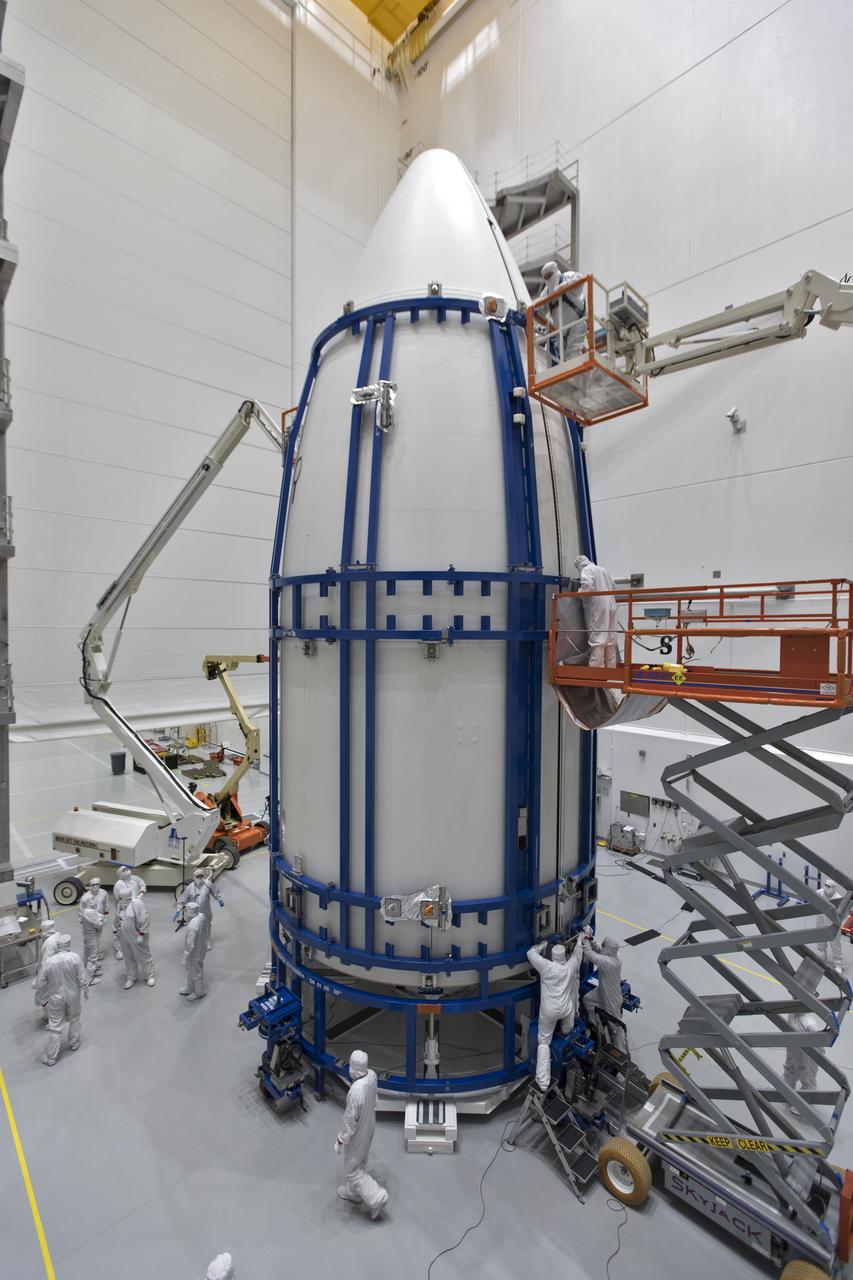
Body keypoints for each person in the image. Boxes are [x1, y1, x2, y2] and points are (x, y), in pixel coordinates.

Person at [335, 1049, 388, 1220]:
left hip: (358, 1131)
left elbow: (349, 1120)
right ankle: (354, 1192)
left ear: (354, 1068)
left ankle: (377, 1197)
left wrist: (341, 1139)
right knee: (361, 1160)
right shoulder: (371, 1075)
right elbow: (375, 1099)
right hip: (370, 1123)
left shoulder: (355, 1091)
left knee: (352, 1170)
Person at [527, 936, 584, 1092]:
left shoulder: (546, 966)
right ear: (564, 956)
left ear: (552, 956)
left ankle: (543, 1081)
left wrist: (541, 945)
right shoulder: (569, 967)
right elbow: (577, 956)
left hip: (549, 1011)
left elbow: (530, 954)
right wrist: (580, 941)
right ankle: (566, 1031)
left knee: (544, 1042)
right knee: (568, 1027)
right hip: (566, 1009)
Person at [35, 935, 89, 1066]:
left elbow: (41, 982)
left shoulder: (49, 962)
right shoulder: (75, 957)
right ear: (68, 945)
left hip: (56, 997)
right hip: (73, 995)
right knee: (75, 1019)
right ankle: (74, 1043)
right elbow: (82, 977)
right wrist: (86, 990)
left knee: (55, 1026)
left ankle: (51, 1057)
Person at [582, 935, 627, 1053]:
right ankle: (595, 1026)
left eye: (604, 944)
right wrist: (592, 940)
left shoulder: (609, 962)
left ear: (609, 949)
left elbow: (590, 955)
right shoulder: (613, 956)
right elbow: (600, 951)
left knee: (616, 1027)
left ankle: (622, 1053)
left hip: (611, 998)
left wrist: (585, 940)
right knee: (588, 999)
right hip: (602, 991)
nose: (602, 945)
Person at [574, 555, 619, 667]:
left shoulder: (586, 569)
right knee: (610, 638)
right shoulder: (603, 570)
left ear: (579, 565)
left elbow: (587, 587)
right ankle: (611, 669)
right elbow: (614, 586)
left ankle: (596, 670)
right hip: (611, 604)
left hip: (598, 607)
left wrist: (579, 592)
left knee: (598, 638)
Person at [537, 261, 587, 357]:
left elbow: (580, 279)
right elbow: (538, 310)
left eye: (549, 275)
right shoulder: (546, 292)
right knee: (562, 358)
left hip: (577, 322)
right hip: (561, 333)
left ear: (555, 271)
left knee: (573, 353)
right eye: (546, 277)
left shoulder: (567, 277)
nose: (548, 279)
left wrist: (563, 287)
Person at [783, 1010, 824, 1113]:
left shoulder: (808, 1022)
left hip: (805, 1053)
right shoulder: (792, 1014)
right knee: (790, 1067)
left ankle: (807, 1100)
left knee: (806, 1074)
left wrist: (819, 1053)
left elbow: (819, 1041)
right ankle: (787, 1088)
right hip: (793, 1047)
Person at [119, 891, 156, 989]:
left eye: (122, 897)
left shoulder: (137, 904)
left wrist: (141, 934)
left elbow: (144, 919)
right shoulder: (120, 904)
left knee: (143, 956)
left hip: (136, 935)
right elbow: (117, 918)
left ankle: (149, 975)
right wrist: (115, 930)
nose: (120, 899)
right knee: (128, 956)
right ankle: (131, 976)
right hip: (123, 935)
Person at [113, 866, 146, 960]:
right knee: (120, 930)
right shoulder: (119, 885)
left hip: (135, 906)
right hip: (124, 908)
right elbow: (119, 898)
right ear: (120, 875)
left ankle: (135, 945)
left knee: (135, 927)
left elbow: (142, 883)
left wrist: (141, 893)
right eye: (124, 871)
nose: (127, 871)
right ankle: (119, 950)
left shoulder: (134, 878)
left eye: (127, 869)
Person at [33, 919, 62, 1019]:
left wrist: (40, 979)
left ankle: (53, 1018)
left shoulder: (49, 943)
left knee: (42, 996)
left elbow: (46, 963)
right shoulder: (56, 935)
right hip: (56, 971)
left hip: (49, 974)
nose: (40, 932)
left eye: (42, 930)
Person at [180, 902, 209, 1001]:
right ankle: (190, 987)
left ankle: (199, 992)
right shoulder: (201, 916)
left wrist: (185, 957)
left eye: (186, 911)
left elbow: (191, 945)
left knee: (196, 972)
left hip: (194, 953)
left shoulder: (192, 926)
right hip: (201, 948)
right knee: (191, 970)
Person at [818, 879, 846, 972]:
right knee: (820, 942)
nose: (826, 887)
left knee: (835, 945)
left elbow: (844, 914)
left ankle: (839, 965)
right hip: (821, 921)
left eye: (828, 886)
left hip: (834, 924)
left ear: (834, 888)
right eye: (825, 885)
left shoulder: (839, 898)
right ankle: (821, 960)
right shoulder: (819, 893)